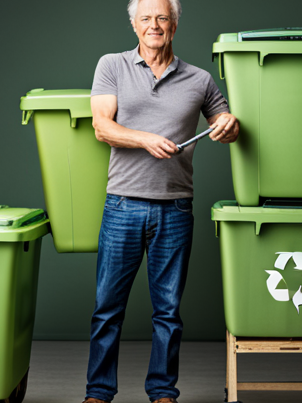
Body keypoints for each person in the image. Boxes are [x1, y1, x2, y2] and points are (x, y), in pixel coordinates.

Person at [84, 0, 239, 402]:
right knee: (107, 309)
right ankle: (98, 393)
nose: (155, 25)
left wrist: (229, 125)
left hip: (175, 209)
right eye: (146, 18)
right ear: (134, 25)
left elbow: (224, 122)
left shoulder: (200, 79)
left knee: (168, 313)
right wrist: (145, 138)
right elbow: (102, 127)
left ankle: (163, 392)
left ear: (174, 25)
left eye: (163, 18)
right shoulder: (111, 65)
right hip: (122, 206)